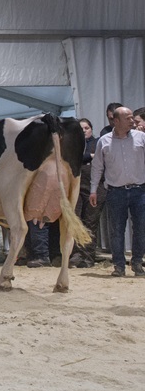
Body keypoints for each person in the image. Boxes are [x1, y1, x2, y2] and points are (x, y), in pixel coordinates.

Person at [90, 106, 145, 277]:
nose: (132, 121)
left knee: (141, 228)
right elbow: (97, 167)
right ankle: (119, 265)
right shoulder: (104, 141)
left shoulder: (141, 137)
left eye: (132, 118)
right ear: (116, 121)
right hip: (115, 191)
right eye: (128, 118)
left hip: (139, 190)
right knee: (116, 230)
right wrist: (93, 190)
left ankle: (137, 262)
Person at [71, 118, 102, 268]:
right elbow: (74, 158)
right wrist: (89, 157)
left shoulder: (98, 143)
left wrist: (86, 158)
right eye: (80, 128)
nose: (84, 130)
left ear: (91, 129)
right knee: (76, 220)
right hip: (76, 186)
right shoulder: (73, 144)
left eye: (87, 128)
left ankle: (88, 256)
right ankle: (76, 254)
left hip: (95, 188)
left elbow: (101, 159)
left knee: (91, 221)